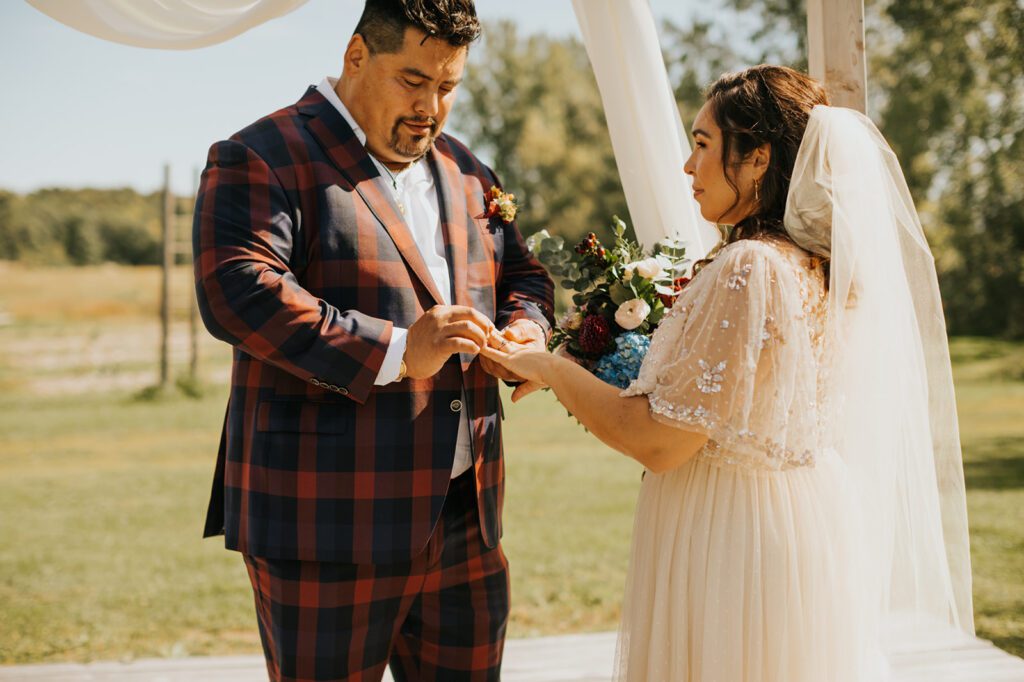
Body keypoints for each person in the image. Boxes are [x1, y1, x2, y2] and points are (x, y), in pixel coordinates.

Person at [482, 64, 972, 681]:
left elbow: (661, 440)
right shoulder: (812, 266)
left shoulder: (751, 268)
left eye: (704, 144)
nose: (688, 166)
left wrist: (552, 369)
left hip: (733, 537)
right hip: (798, 515)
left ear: (759, 157)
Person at [192, 1, 554, 679]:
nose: (431, 107)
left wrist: (527, 325)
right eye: (413, 81)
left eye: (448, 87)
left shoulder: (469, 170)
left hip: (466, 519)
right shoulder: (261, 155)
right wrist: (395, 352)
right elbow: (236, 290)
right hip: (326, 521)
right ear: (356, 55)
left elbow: (523, 275)